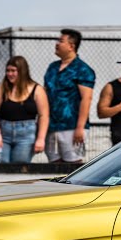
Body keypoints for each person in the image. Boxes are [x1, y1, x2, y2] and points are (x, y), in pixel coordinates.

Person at [43, 28, 95, 163]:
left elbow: (86, 98)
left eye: (61, 41)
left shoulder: (83, 70)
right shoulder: (52, 67)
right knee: (53, 167)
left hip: (71, 126)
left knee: (72, 166)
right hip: (51, 126)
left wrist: (80, 128)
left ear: (71, 46)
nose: (57, 44)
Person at [0, 55, 49, 164]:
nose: (9, 74)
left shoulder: (37, 89)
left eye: (13, 71)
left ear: (22, 71)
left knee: (19, 168)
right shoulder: (2, 88)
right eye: (8, 71)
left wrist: (41, 139)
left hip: (26, 135)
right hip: (3, 133)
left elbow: (44, 115)